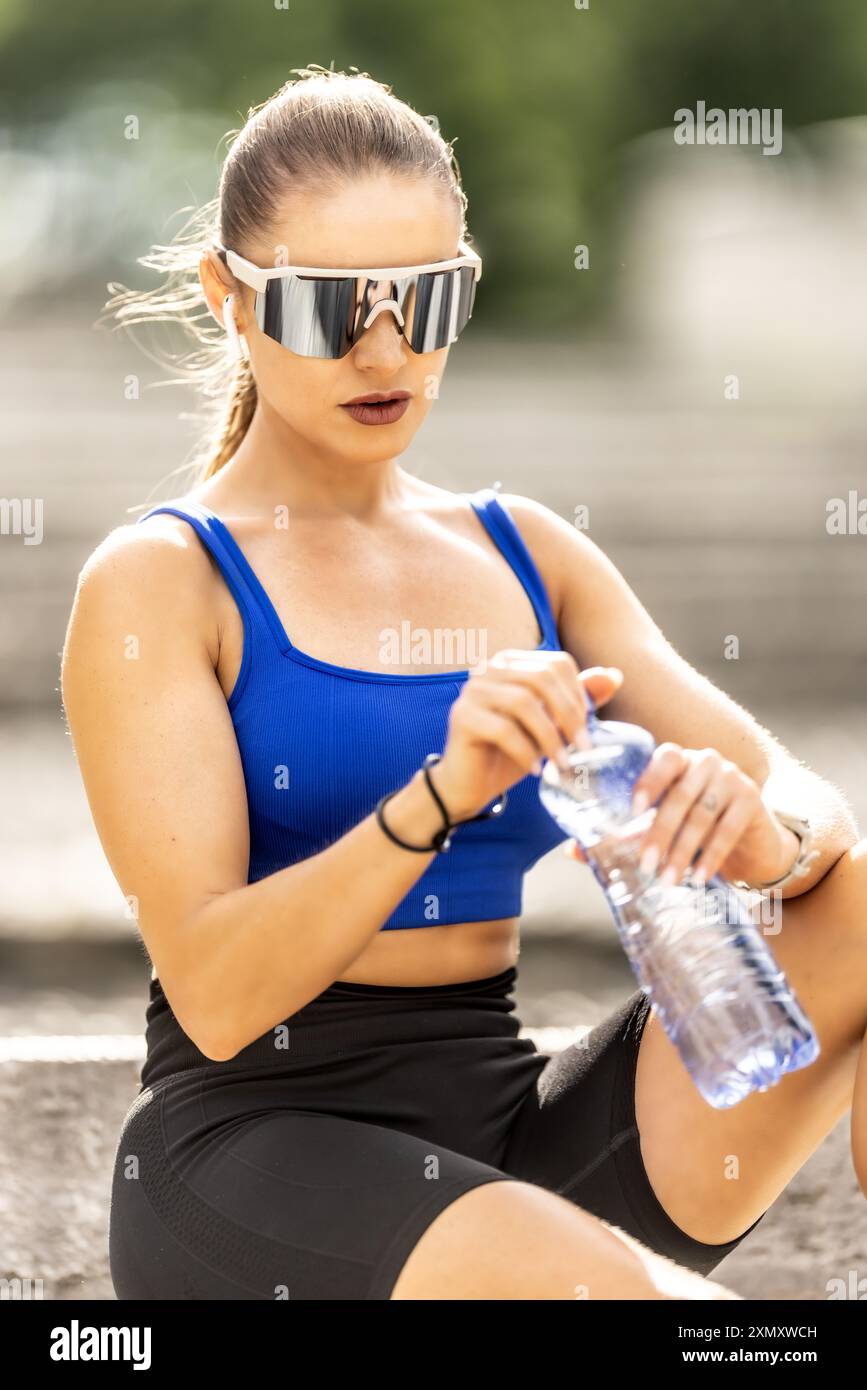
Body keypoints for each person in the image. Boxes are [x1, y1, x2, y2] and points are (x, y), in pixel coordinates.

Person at [62, 66, 866, 1301]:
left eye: (425, 301)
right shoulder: (165, 581)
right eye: (336, 308)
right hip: (260, 1158)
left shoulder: (527, 551)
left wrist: (770, 837)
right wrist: (439, 794)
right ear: (231, 297)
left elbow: (810, 813)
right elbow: (218, 993)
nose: (388, 349)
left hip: (513, 1144)